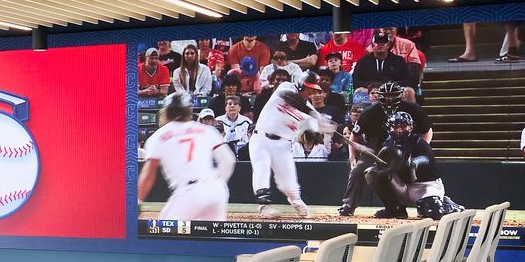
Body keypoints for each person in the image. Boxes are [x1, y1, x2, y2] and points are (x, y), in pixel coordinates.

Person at [340, 82, 435, 215]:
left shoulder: (414, 109)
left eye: (392, 95)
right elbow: (354, 136)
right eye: (386, 95)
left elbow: (427, 131)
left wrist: (420, 148)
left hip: (406, 149)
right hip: (376, 150)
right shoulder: (370, 112)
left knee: (411, 174)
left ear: (401, 95)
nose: (389, 99)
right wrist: (352, 158)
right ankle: (349, 205)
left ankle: (427, 202)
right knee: (359, 171)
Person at [349, 109, 460, 219]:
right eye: (395, 127)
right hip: (402, 185)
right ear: (389, 128)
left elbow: (426, 160)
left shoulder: (418, 142)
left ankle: (448, 205)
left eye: (403, 126)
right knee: (371, 173)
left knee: (431, 213)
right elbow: (381, 165)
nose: (399, 130)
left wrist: (411, 163)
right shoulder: (388, 143)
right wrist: (382, 169)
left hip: (424, 186)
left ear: (410, 127)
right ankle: (394, 209)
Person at [139, 95, 232, 222]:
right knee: (213, 233)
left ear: (167, 111)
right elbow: (228, 161)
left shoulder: (158, 136)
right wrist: (217, 184)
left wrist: (138, 201)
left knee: (162, 231)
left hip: (188, 191)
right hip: (217, 190)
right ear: (188, 110)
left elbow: (149, 172)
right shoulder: (207, 130)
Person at [251, 79, 329, 215]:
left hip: (283, 145)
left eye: (313, 91)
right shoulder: (286, 88)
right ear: (300, 85)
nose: (310, 93)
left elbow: (318, 128)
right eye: (308, 89)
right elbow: (291, 98)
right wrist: (313, 114)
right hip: (261, 138)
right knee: (261, 168)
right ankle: (264, 206)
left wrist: (327, 126)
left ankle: (296, 201)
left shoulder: (309, 114)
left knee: (288, 183)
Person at [352, 30, 421, 102]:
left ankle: (412, 109)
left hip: (393, 90)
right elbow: (356, 81)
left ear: (388, 45)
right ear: (372, 46)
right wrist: (371, 86)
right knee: (358, 91)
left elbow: (407, 80)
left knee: (409, 91)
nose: (380, 45)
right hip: (370, 90)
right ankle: (358, 109)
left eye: (383, 42)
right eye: (377, 43)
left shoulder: (399, 60)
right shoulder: (363, 61)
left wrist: (392, 86)